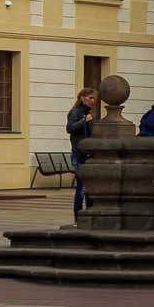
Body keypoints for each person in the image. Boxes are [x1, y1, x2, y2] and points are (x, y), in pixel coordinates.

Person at [65, 87, 97, 215]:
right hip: (79, 154)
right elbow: (70, 128)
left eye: (94, 98)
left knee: (89, 187)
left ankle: (89, 214)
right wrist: (84, 121)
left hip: (88, 154)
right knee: (82, 187)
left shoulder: (87, 113)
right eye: (90, 98)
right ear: (82, 98)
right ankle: (78, 217)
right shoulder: (75, 112)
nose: (93, 101)